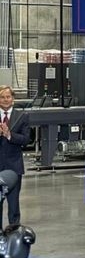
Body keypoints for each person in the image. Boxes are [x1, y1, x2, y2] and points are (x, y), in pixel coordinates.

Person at [0, 86, 30, 229]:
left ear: (13, 98)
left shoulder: (22, 116)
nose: (5, 100)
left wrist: (9, 135)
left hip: (14, 167)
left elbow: (25, 140)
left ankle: (14, 234)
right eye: (2, 97)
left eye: (8, 97)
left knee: (13, 205)